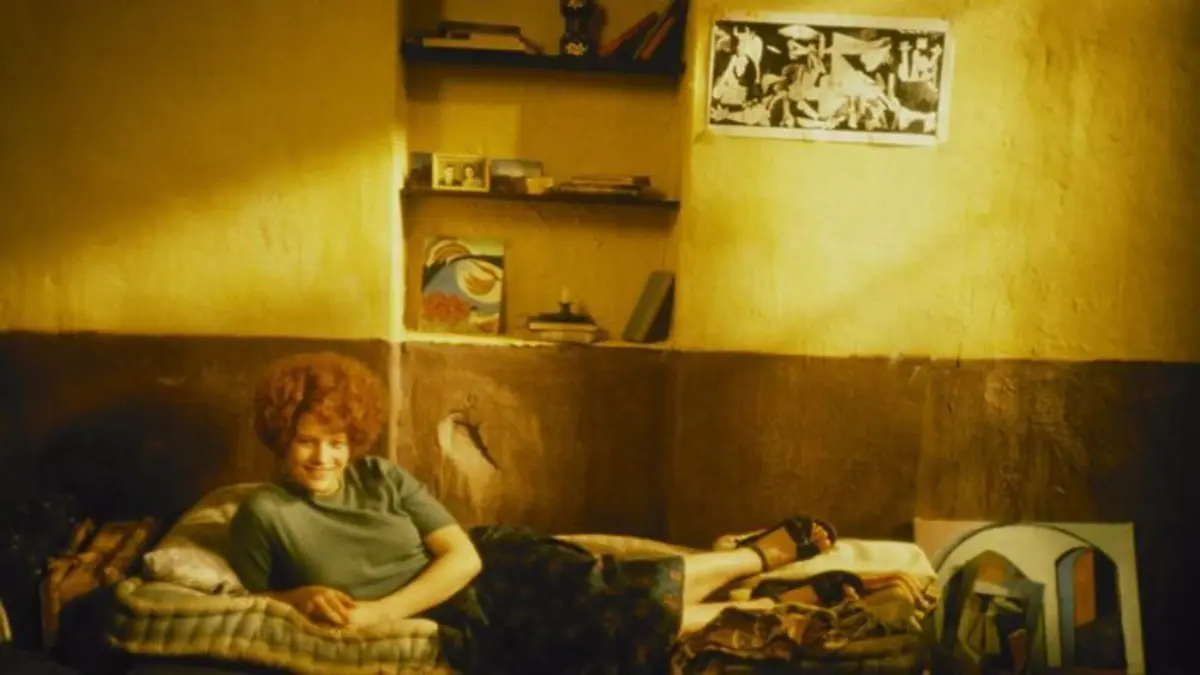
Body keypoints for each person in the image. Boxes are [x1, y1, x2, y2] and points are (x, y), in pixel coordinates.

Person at [228, 352, 836, 674]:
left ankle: (751, 558)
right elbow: (247, 596)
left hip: (487, 564)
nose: (324, 457)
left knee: (600, 586)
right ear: (281, 438)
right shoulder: (262, 512)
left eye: (336, 442)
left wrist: (384, 611)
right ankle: (757, 608)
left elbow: (461, 556)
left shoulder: (380, 477)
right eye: (307, 441)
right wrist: (298, 595)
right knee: (592, 631)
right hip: (457, 610)